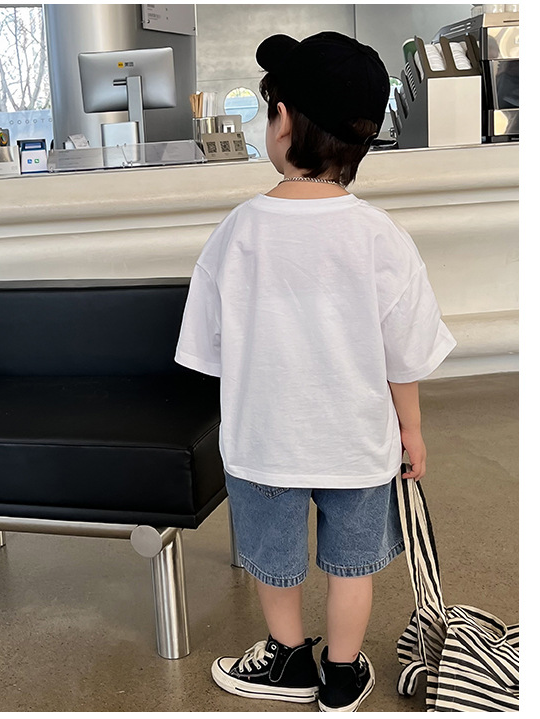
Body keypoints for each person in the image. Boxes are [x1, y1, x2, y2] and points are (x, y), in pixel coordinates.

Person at [175, 31, 456, 712]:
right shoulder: (382, 236)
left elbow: (207, 350)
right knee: (352, 565)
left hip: (264, 440)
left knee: (274, 560)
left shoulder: (238, 232)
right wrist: (411, 431)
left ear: (282, 122)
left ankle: (289, 659)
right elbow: (404, 353)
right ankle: (342, 672)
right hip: (357, 443)